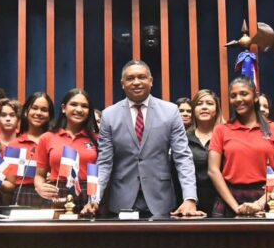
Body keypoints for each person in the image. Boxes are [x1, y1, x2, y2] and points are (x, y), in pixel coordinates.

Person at [85, 61, 199, 218]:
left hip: (160, 199)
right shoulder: (109, 115)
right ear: (122, 84)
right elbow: (104, 162)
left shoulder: (170, 111)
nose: (136, 82)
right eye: (130, 78)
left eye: (142, 77)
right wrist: (94, 198)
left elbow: (183, 157)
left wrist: (190, 198)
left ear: (151, 81)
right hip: (121, 200)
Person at [208, 76, 274, 217]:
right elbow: (213, 170)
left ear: (256, 97)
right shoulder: (221, 130)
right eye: (233, 96)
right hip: (230, 199)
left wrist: (260, 203)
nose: (238, 99)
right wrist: (236, 208)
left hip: (266, 198)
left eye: (244, 94)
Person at [35, 88, 99, 206]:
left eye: (84, 106)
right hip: (57, 194)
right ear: (64, 108)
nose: (79, 109)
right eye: (74, 104)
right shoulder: (47, 138)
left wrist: (95, 200)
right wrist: (40, 187)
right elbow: (39, 175)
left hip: (90, 194)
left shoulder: (98, 139)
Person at [1, 92, 54, 207]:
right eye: (34, 108)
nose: (39, 113)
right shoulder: (14, 145)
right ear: (25, 112)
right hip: (23, 197)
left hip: (51, 194)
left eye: (44, 110)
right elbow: (11, 183)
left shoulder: (56, 141)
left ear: (50, 115)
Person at [186, 89, 220, 215]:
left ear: (216, 109)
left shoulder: (226, 136)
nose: (204, 107)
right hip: (191, 202)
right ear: (193, 110)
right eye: (199, 104)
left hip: (222, 201)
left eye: (209, 103)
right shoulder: (183, 138)